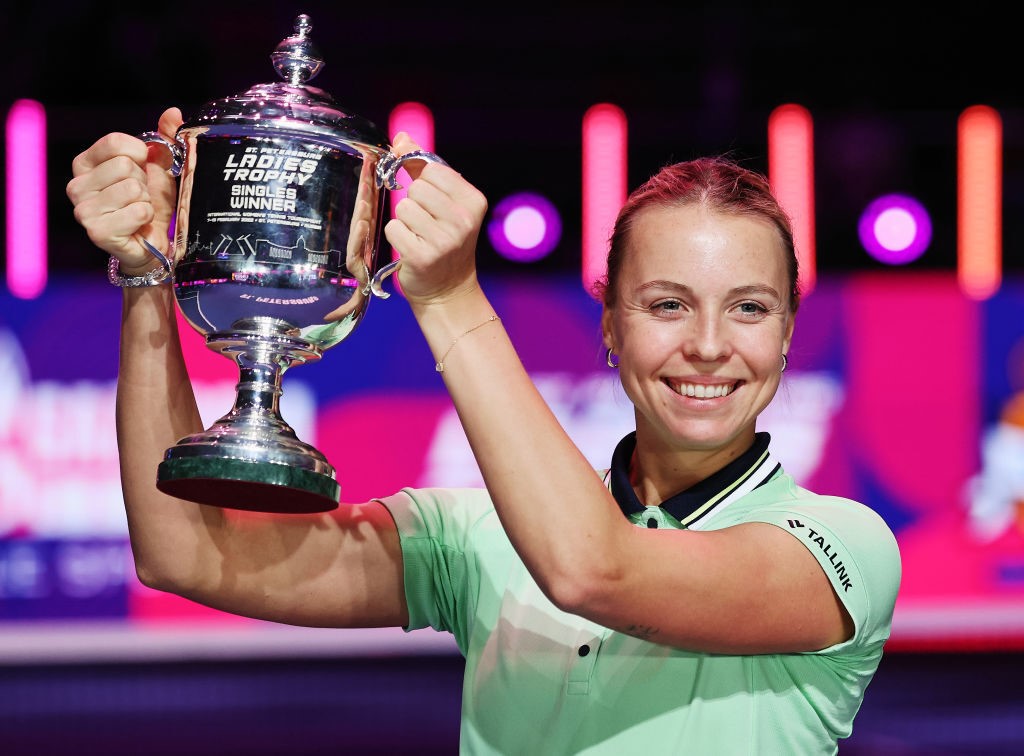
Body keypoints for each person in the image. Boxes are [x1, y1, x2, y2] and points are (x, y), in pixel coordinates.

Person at [66, 105, 901, 755]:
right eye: (667, 304)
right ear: (609, 324)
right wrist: (147, 274)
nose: (711, 345)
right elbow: (181, 551)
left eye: (750, 309)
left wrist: (450, 297)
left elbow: (591, 569)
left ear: (789, 335)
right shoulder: (477, 538)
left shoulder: (841, 547)